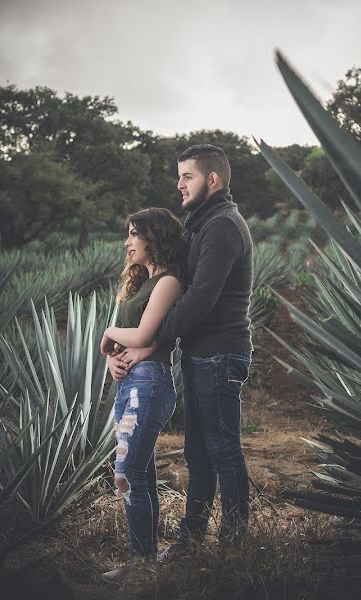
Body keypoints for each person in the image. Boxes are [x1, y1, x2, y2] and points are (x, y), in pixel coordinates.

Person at [104, 144, 254, 558]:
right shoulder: (204, 224)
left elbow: (200, 299)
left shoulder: (222, 225)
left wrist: (147, 342)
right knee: (198, 451)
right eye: (178, 176)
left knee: (222, 448)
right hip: (202, 353)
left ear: (213, 180)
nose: (179, 184)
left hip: (220, 352)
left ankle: (233, 544)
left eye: (187, 176)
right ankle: (190, 540)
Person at [98, 207, 187, 583]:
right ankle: (145, 563)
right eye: (129, 234)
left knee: (126, 472)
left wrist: (107, 333)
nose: (128, 241)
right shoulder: (139, 283)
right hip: (130, 383)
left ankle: (141, 563)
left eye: (135, 234)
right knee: (140, 473)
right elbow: (127, 344)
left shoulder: (167, 282)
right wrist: (111, 362)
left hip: (149, 384)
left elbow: (142, 336)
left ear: (155, 238)